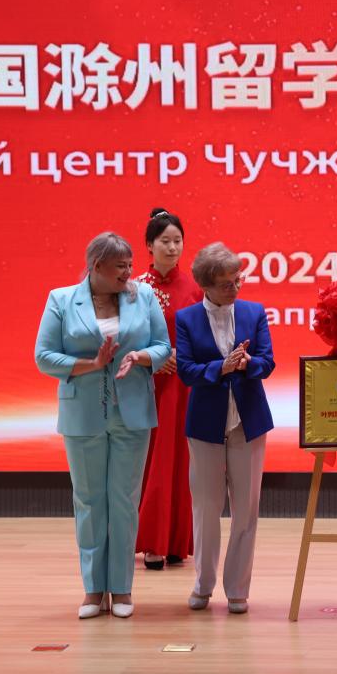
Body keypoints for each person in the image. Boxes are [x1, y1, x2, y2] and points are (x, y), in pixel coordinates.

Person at [34, 232, 171, 619]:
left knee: (124, 501)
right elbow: (44, 356)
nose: (129, 273)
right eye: (120, 267)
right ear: (96, 267)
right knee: (89, 501)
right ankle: (93, 590)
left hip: (133, 411)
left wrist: (140, 356)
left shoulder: (143, 296)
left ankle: (122, 589)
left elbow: (163, 347)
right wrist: (91, 365)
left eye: (130, 265)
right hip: (83, 413)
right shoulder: (62, 300)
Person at [176, 242, 275, 614]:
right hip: (205, 424)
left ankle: (237, 589)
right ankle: (203, 584)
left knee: (246, 509)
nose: (234, 288)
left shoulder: (253, 312)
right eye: (225, 284)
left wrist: (247, 363)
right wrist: (221, 368)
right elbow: (186, 371)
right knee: (206, 507)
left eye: (237, 280)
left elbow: (268, 362)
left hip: (248, 422)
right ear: (205, 285)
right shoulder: (187, 319)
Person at [135, 208, 202, 571]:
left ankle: (176, 541)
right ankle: (151, 541)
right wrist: (153, 358)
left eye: (178, 241)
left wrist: (182, 356)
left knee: (180, 461)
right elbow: (125, 335)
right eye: (165, 241)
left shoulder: (194, 287)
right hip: (146, 382)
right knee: (152, 459)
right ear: (149, 245)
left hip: (182, 384)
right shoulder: (135, 288)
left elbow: (204, 337)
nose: (173, 248)